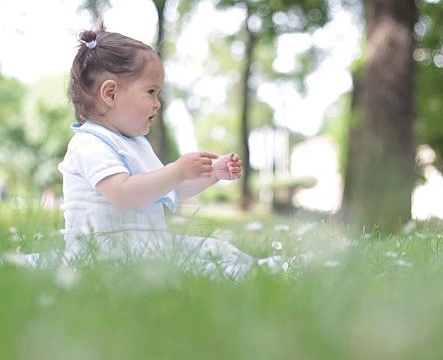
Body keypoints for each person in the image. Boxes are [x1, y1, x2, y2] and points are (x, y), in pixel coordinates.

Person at [58, 26, 283, 279]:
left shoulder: (136, 144)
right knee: (198, 265)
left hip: (144, 249)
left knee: (214, 249)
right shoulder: (90, 144)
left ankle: (264, 270)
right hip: (105, 255)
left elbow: (166, 189)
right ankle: (257, 273)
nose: (158, 102)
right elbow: (123, 194)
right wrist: (177, 170)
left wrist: (211, 173)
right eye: (151, 91)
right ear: (111, 93)